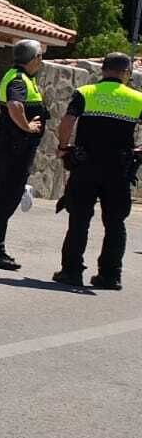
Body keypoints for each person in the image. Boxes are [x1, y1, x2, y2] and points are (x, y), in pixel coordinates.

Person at [51, 52, 141, 290]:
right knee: (115, 223)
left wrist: (63, 147)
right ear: (126, 73)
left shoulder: (86, 92)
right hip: (119, 169)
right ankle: (110, 276)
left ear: (103, 70)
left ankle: (71, 272)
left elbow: (67, 122)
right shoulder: (137, 98)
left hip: (86, 166)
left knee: (79, 220)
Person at [0, 39, 49, 270]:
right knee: (4, 200)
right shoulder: (18, 79)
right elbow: (14, 105)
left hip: (16, 148)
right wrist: (27, 127)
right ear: (35, 58)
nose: (41, 60)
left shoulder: (23, 78)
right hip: (15, 148)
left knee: (4, 199)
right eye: (40, 56)